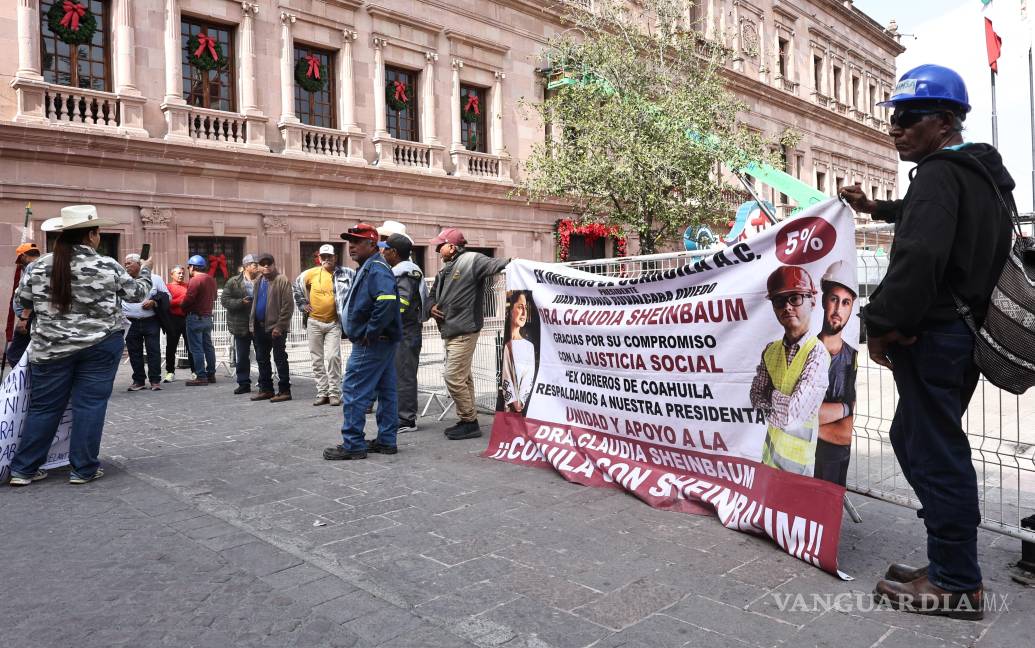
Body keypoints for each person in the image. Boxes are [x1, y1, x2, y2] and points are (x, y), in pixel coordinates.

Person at [840, 64, 1012, 619]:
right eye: (894, 118)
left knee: (937, 455)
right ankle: (947, 559)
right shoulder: (979, 175)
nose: (896, 129)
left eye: (908, 118)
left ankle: (957, 581)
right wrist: (875, 209)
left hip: (933, 336)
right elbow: (932, 219)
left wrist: (881, 324)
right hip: (961, 335)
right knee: (914, 440)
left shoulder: (939, 176)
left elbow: (920, 257)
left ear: (943, 121)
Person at [8, 205, 152, 487]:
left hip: (50, 348)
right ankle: (83, 469)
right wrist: (144, 272)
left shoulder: (38, 266)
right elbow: (137, 294)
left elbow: (19, 304)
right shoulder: (107, 265)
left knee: (44, 408)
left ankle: (24, 469)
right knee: (90, 405)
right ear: (93, 234)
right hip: (99, 345)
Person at [323, 224, 402, 460]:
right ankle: (387, 441)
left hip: (372, 342)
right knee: (386, 391)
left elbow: (386, 300)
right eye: (350, 242)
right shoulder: (371, 267)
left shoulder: (376, 268)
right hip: (380, 341)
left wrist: (371, 331)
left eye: (357, 242)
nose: (352, 246)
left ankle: (353, 444)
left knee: (354, 389)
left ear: (372, 244)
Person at [428, 228, 510, 440]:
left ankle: (469, 422)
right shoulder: (445, 269)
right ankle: (468, 419)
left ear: (452, 247)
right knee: (463, 377)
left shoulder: (472, 260)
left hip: (464, 329)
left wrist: (517, 263)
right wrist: (430, 308)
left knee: (453, 377)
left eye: (441, 246)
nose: (438, 250)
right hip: (450, 330)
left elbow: (498, 264)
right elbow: (431, 294)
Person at [749, 266, 830, 477]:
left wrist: (769, 394)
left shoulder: (817, 353)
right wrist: (782, 401)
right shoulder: (770, 350)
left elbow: (792, 417)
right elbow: (755, 398)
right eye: (779, 301)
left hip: (800, 468)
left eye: (795, 298)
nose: (787, 307)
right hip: (768, 461)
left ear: (812, 301)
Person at [293, 244, 354, 406]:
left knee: (333, 357)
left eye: (329, 256)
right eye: (323, 257)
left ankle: (334, 393)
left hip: (334, 323)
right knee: (317, 359)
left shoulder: (347, 273)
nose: (326, 259)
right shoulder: (310, 274)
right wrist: (302, 304)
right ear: (319, 258)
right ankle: (322, 392)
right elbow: (296, 287)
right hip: (314, 322)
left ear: (335, 257)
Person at [814, 261, 857, 486]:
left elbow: (844, 432)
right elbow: (788, 414)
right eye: (834, 299)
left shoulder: (852, 358)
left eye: (846, 302)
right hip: (802, 461)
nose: (838, 309)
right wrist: (842, 409)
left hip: (834, 462)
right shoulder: (803, 351)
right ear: (823, 300)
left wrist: (805, 420)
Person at [379, 233, 427, 432]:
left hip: (406, 331)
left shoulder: (406, 272)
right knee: (398, 374)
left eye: (386, 249)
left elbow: (402, 304)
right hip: (401, 331)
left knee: (404, 375)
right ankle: (400, 415)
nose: (382, 252)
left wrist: (385, 324)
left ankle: (407, 420)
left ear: (394, 252)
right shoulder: (400, 270)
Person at [250, 253, 294, 402]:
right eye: (263, 264)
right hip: (260, 326)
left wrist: (280, 326)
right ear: (259, 267)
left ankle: (284, 390)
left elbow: (288, 306)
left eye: (269, 263)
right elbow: (255, 303)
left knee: (280, 358)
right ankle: (266, 389)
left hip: (276, 328)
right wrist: (252, 324)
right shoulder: (258, 281)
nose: (267, 266)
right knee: (262, 359)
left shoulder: (282, 280)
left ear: (274, 265)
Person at [122, 253, 169, 392]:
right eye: (125, 264)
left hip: (150, 321)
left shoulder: (155, 279)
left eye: (129, 263)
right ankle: (138, 380)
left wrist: (154, 302)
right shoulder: (123, 280)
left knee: (153, 351)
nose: (126, 266)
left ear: (139, 264)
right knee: (134, 352)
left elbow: (168, 296)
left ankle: (155, 380)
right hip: (130, 322)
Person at [221, 254, 259, 394]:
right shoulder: (233, 281)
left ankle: (264, 382)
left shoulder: (263, 280)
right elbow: (224, 301)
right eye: (255, 264)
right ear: (246, 266)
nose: (258, 267)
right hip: (240, 324)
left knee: (261, 354)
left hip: (258, 323)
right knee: (242, 356)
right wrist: (240, 302)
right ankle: (243, 383)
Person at [182, 254, 218, 386]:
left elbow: (189, 298)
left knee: (196, 348)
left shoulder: (195, 280)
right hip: (207, 317)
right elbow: (214, 297)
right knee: (208, 347)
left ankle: (201, 376)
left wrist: (182, 306)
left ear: (192, 267)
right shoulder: (211, 279)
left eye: (188, 267)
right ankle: (211, 374)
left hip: (195, 317)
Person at [6, 242, 41, 368]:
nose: (20, 263)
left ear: (24, 256)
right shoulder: (42, 264)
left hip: (28, 318)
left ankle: (26, 382)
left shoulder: (32, 266)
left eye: (20, 259)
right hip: (31, 317)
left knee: (14, 354)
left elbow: (29, 291)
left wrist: (24, 318)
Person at [501, 291, 536, 414]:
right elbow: (505, 376)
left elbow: (529, 376)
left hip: (521, 407)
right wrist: (513, 401)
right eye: (520, 307)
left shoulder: (529, 346)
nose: (524, 313)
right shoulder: (504, 344)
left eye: (525, 308)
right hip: (508, 407)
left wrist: (521, 400)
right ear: (510, 311)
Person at [163, 265, 194, 382]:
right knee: (171, 347)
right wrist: (181, 300)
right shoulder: (168, 287)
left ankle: (194, 371)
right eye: (178, 273)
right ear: (172, 274)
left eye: (182, 273)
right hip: (173, 319)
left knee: (191, 346)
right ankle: (170, 372)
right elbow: (166, 303)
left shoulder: (188, 285)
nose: (181, 275)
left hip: (187, 318)